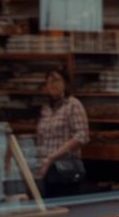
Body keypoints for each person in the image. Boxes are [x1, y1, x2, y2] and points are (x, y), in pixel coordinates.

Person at [35, 68, 89, 198]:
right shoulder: (46, 109)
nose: (53, 84)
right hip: (45, 167)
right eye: (49, 81)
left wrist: (52, 157)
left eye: (56, 80)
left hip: (65, 168)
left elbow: (82, 136)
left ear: (65, 83)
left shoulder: (73, 105)